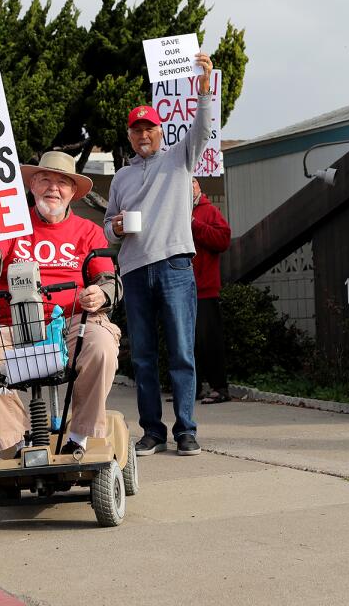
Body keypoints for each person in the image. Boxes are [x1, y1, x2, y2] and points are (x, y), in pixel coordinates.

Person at [0, 151, 122, 456]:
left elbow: (108, 281)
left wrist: (100, 294)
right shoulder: (11, 226)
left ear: (73, 192)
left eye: (62, 182)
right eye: (45, 179)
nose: (53, 188)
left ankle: (79, 436)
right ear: (32, 185)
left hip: (73, 324)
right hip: (17, 328)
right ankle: (17, 442)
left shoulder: (89, 232)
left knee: (102, 344)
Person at [104, 52, 214, 457]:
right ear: (130, 136)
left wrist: (204, 89)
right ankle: (152, 430)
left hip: (174, 266)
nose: (143, 135)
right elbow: (107, 225)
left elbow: (202, 129)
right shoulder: (121, 176)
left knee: (182, 353)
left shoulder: (179, 159)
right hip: (134, 270)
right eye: (137, 130)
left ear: (160, 129)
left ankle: (186, 429)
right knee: (145, 358)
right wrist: (113, 228)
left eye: (149, 127)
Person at [190, 178, 232, 404]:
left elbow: (223, 240)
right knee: (187, 342)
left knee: (209, 340)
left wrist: (194, 224)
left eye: (192, 183)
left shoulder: (209, 211)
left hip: (205, 288)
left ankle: (220, 388)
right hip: (181, 289)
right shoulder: (174, 210)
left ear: (198, 187)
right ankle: (192, 389)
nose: (188, 187)